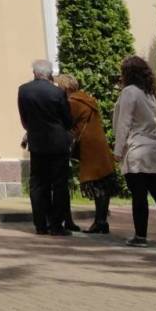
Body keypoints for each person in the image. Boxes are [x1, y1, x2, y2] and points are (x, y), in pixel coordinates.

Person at [112, 55, 156, 247]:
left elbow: (124, 123)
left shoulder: (129, 92)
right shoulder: (149, 93)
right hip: (155, 147)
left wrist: (118, 150)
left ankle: (140, 236)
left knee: (139, 195)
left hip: (137, 148)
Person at [55, 73, 119, 235]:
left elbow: (65, 122)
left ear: (65, 88)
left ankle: (99, 222)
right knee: (102, 184)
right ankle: (101, 221)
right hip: (99, 145)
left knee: (97, 185)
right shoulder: (87, 99)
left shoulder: (74, 102)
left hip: (89, 147)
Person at [17, 59, 74, 237]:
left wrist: (32, 129)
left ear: (34, 73)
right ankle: (57, 225)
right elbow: (68, 120)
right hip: (58, 144)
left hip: (37, 143)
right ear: (49, 74)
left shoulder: (23, 90)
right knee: (59, 185)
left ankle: (40, 224)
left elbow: (24, 118)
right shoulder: (57, 92)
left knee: (37, 185)